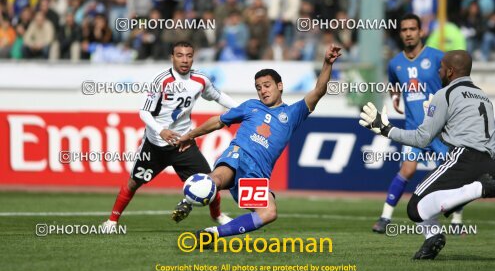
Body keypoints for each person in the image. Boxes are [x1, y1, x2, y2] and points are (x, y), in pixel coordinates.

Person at [172, 45, 342, 244]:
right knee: (216, 179)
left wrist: (327, 63)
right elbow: (218, 121)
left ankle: (212, 234)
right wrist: (191, 135)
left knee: (269, 212)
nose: (262, 90)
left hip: (257, 173)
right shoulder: (250, 106)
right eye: (259, 87)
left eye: (267, 85)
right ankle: (189, 199)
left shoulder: (294, 113)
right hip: (237, 155)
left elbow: (319, 90)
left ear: (280, 86)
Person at [360, 50, 495, 259]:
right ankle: (433, 238)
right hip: (489, 162)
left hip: (464, 159)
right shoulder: (482, 95)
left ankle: (478, 189)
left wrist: (386, 130)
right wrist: (439, 124)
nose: (437, 70)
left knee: (415, 207)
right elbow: (460, 134)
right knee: (427, 204)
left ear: (449, 71)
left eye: (441, 67)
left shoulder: (445, 94)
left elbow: (422, 139)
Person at [102, 41, 238, 230]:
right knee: (133, 183)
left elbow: (217, 96)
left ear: (193, 58)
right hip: (155, 144)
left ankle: (217, 216)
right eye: (180, 55)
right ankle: (112, 221)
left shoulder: (200, 80)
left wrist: (241, 110)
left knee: (210, 180)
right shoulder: (161, 81)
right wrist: (161, 131)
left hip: (183, 143)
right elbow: (144, 112)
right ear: (172, 58)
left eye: (189, 56)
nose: (185, 60)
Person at [372, 13, 464, 234]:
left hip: (440, 130)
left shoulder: (437, 57)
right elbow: (394, 82)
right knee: (407, 169)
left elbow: (456, 82)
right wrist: (395, 97)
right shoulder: (395, 63)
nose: (408, 33)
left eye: (412, 29)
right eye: (404, 30)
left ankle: (457, 221)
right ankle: (385, 218)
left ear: (421, 32)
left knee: (451, 173)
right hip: (414, 129)